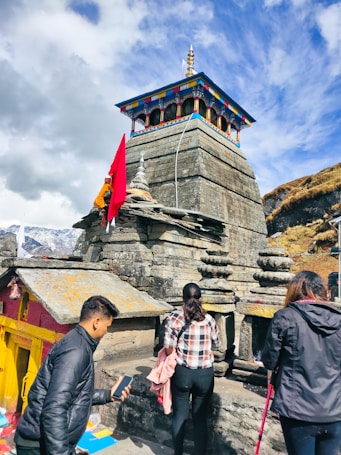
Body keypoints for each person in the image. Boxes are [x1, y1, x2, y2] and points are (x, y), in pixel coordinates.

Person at [14, 295, 131, 455]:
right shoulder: (76, 351)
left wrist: (108, 395)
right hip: (40, 444)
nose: (106, 331)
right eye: (107, 326)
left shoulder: (78, 344)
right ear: (96, 322)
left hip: (47, 440)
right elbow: (55, 407)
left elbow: (75, 394)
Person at [261, 271, 341, 455]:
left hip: (298, 410)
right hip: (334, 410)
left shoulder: (285, 317)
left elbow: (269, 360)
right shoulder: (339, 320)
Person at [163, 282, 221, 455]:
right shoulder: (209, 320)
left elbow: (168, 348)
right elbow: (218, 345)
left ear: (183, 298)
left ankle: (178, 453)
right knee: (200, 418)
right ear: (200, 298)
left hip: (183, 373)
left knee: (179, 415)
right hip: (204, 374)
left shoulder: (174, 318)